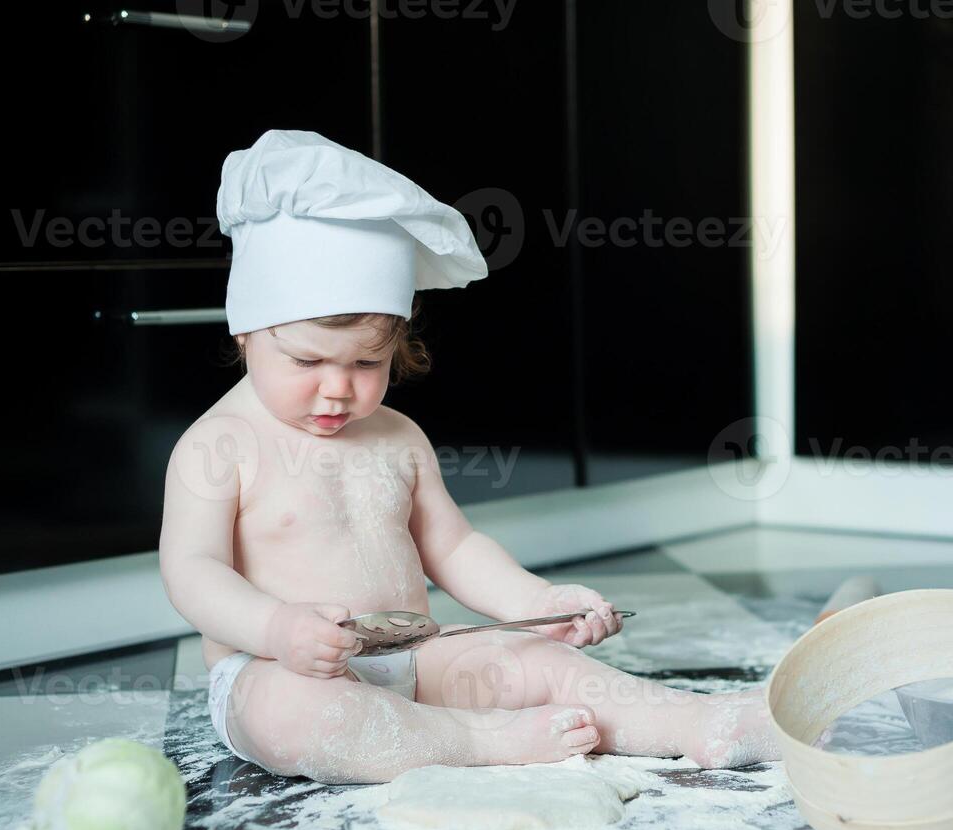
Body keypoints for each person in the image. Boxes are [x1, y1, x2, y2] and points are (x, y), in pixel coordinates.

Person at [159, 131, 777, 784]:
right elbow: (191, 572)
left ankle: (696, 723)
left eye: (368, 363)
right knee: (297, 717)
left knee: (542, 665)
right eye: (308, 361)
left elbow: (452, 548)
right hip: (280, 669)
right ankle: (478, 740)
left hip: (418, 658)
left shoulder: (396, 436)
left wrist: (538, 600)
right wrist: (275, 627)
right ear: (246, 329)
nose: (338, 387)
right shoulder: (218, 445)